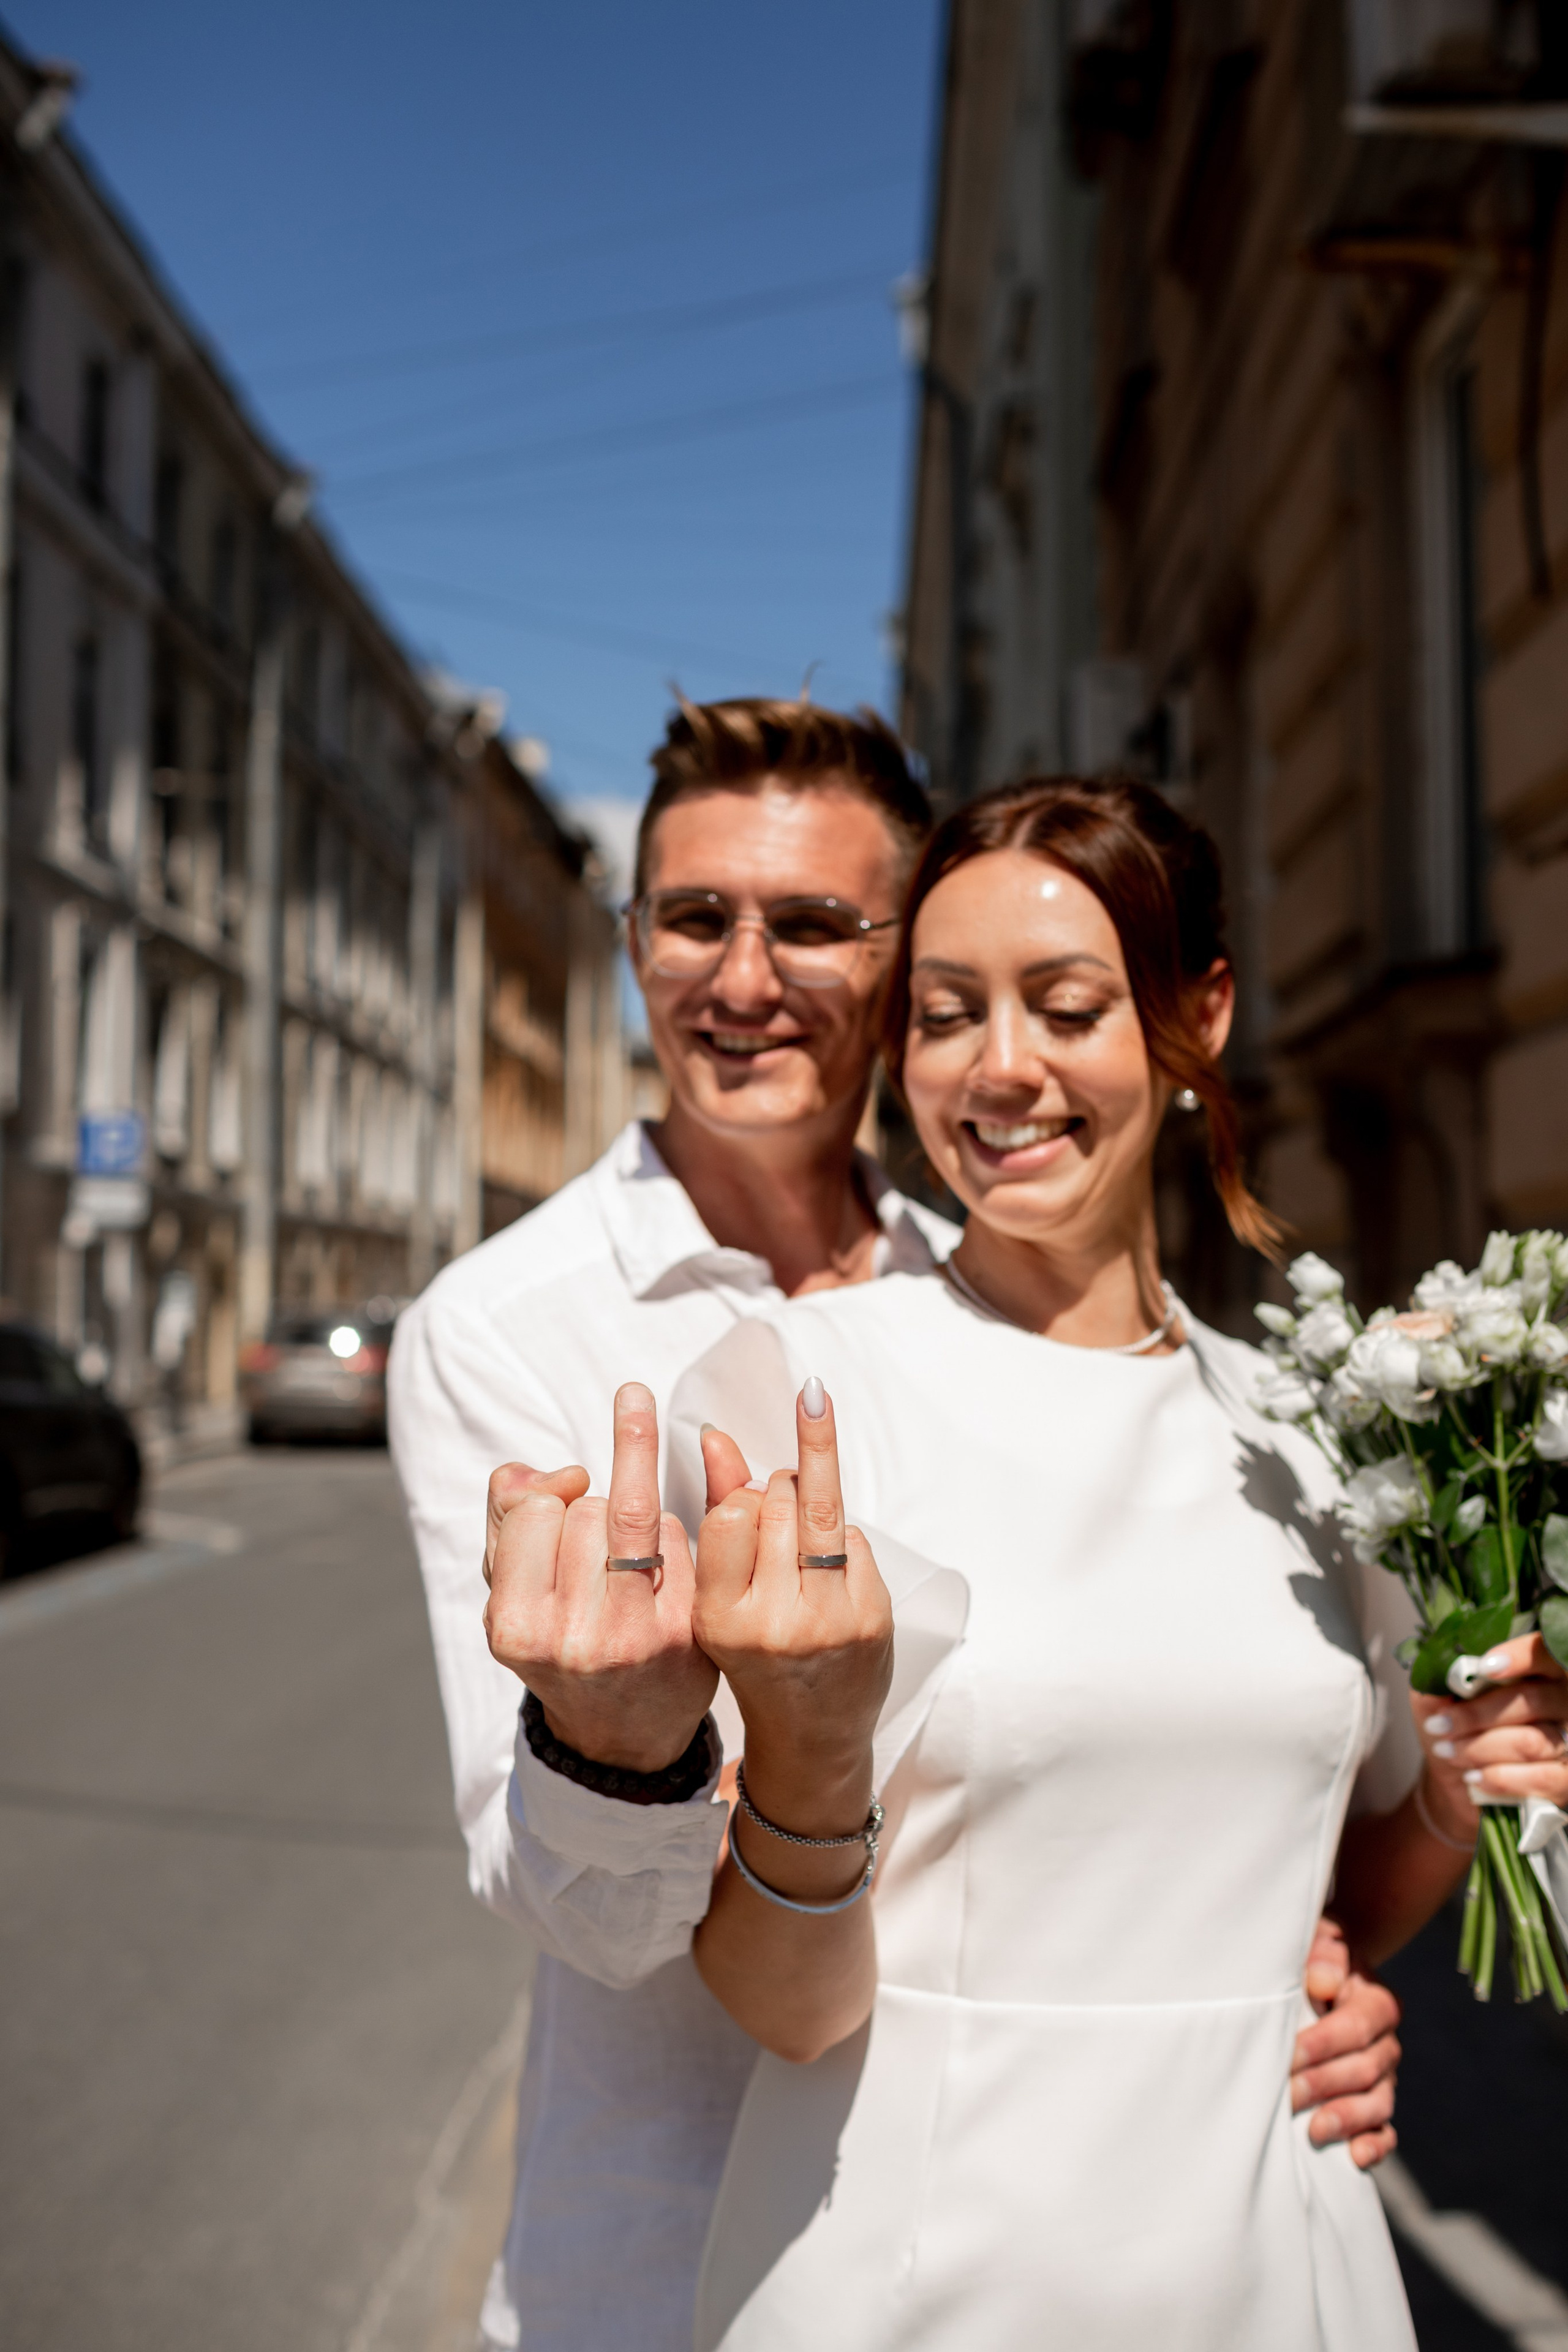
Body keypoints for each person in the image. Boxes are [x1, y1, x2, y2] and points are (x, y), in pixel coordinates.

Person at [391, 712, 1401, 2352]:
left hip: (1229, 2234)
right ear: (634, 939)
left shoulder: (1051, 1283)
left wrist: (1303, 1953)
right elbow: (569, 1897)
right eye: (693, 918)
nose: (742, 979)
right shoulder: (512, 1327)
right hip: (696, 2243)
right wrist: (633, 1744)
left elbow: (1270, 1792)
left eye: (809, 924)